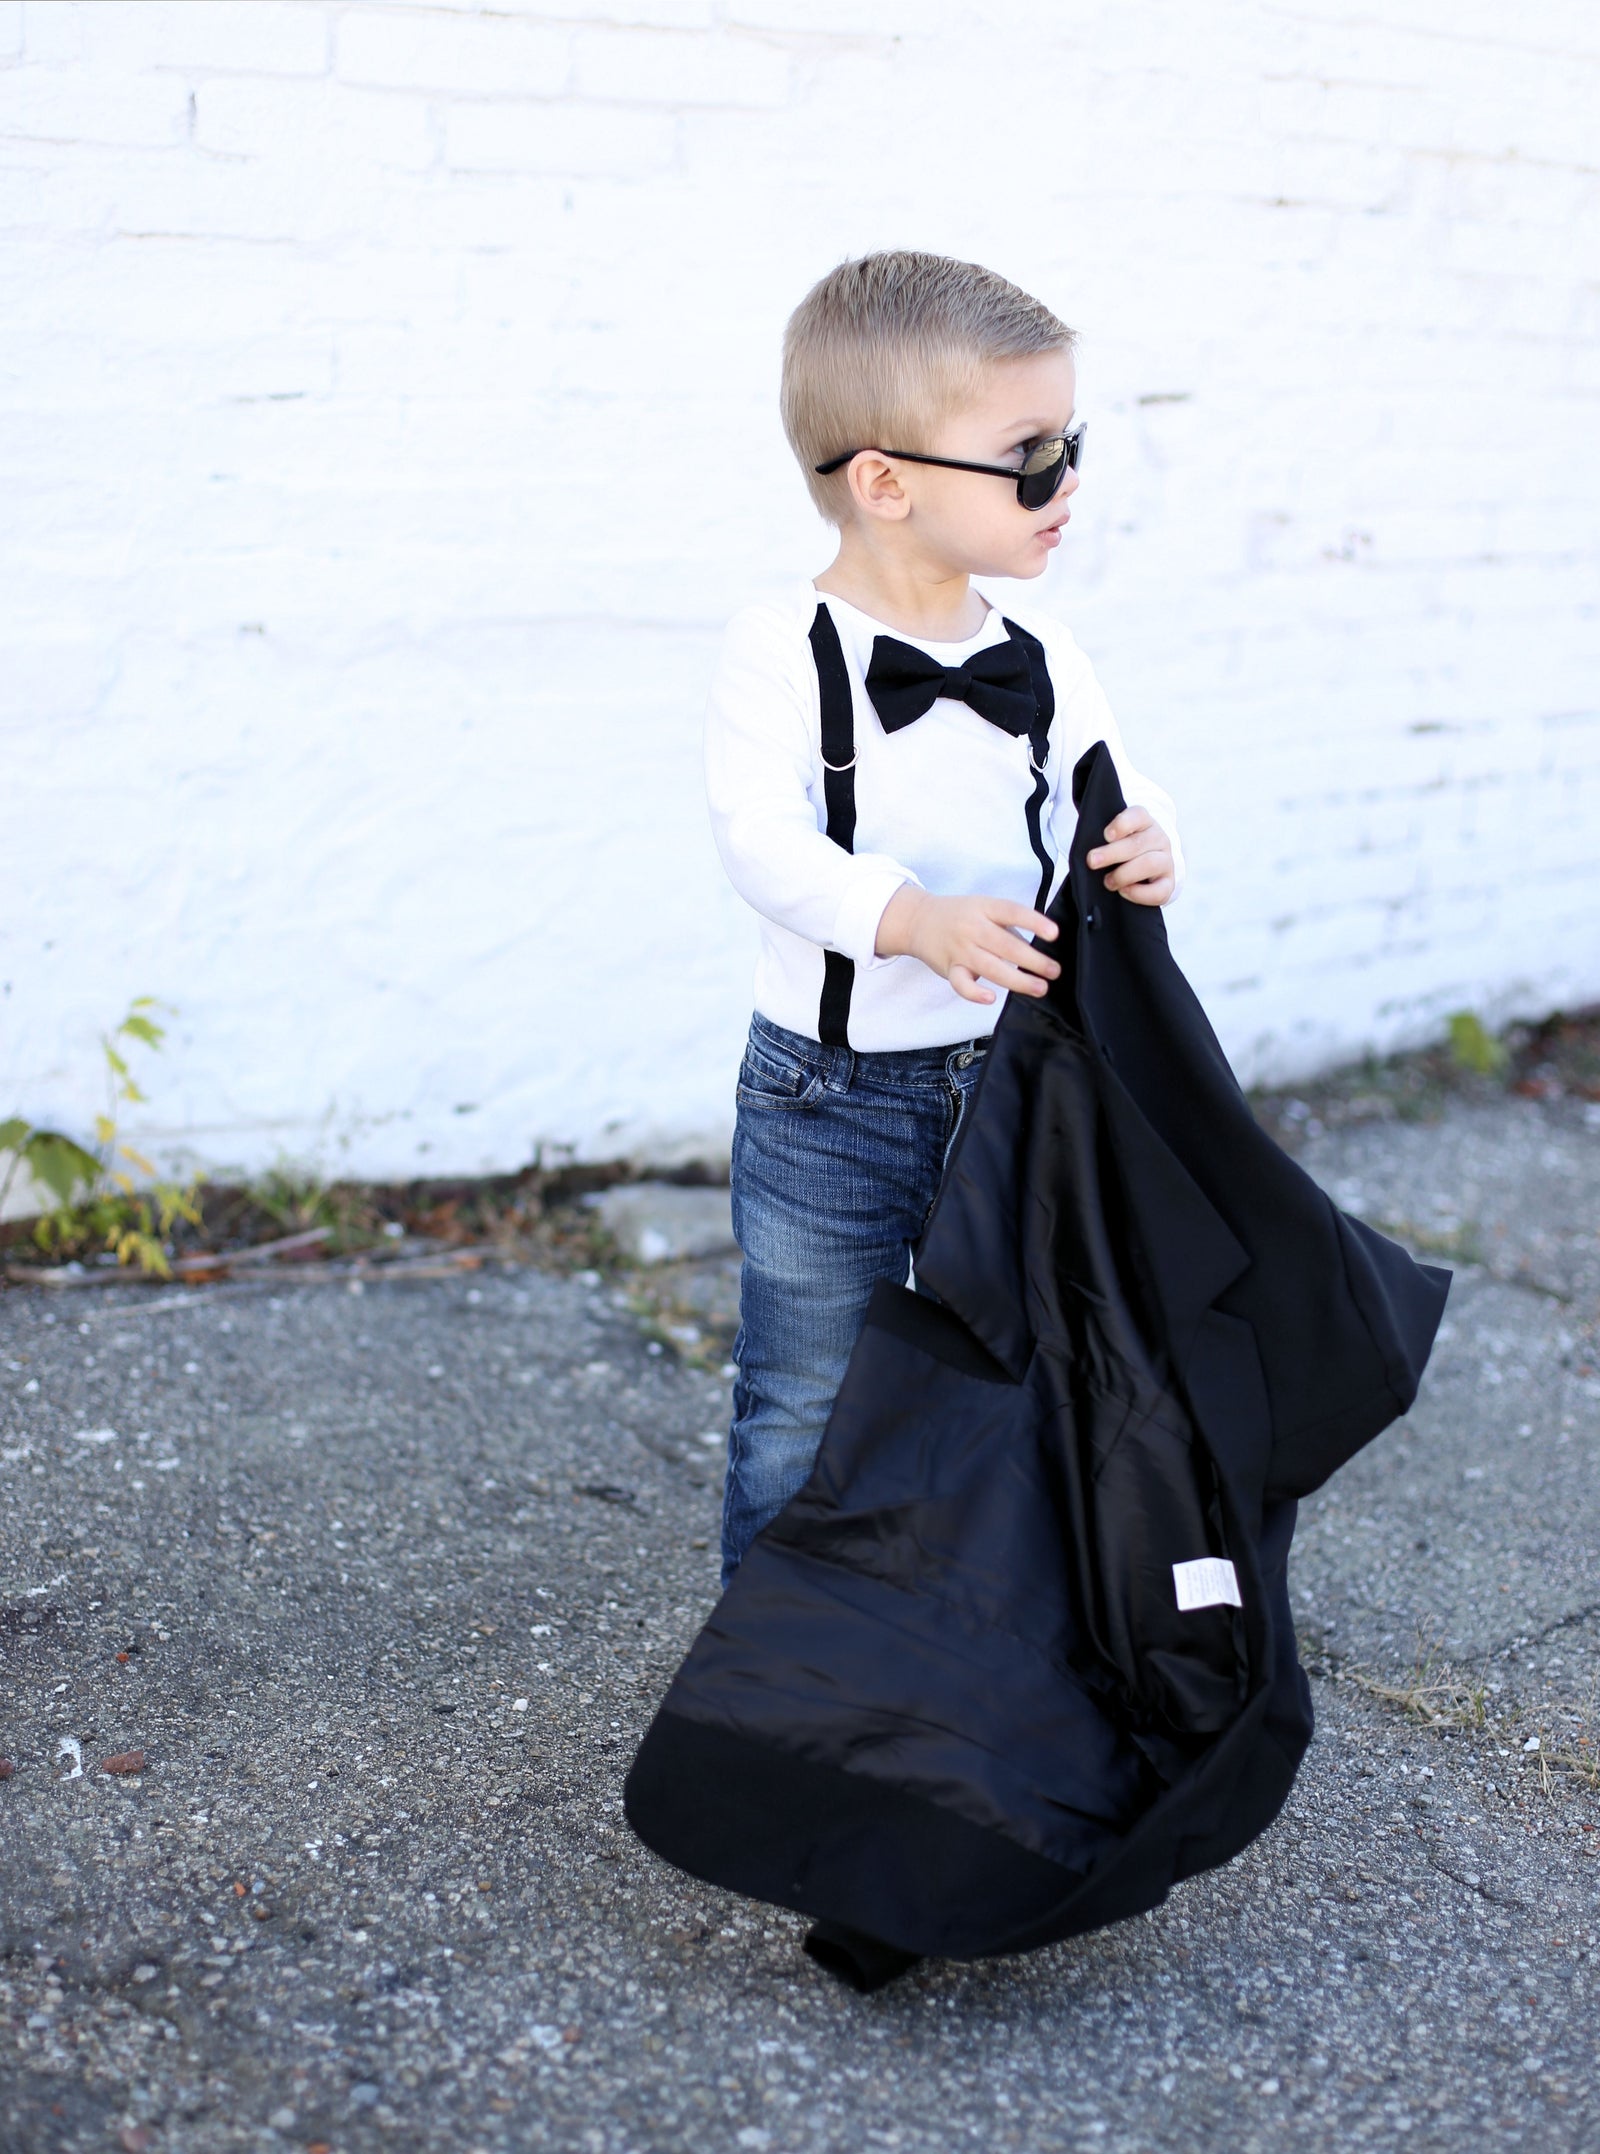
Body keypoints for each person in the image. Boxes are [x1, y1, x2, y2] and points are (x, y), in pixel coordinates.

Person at [706, 249, 1183, 1588]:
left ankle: (968, 1641)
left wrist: (1151, 837)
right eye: (1030, 456)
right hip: (829, 1099)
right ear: (887, 481)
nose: (1066, 484)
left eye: (1071, 444)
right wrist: (906, 916)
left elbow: (1113, 783)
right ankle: (778, 1678)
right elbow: (761, 838)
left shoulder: (1044, 653)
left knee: (1013, 1369)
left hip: (1013, 1089)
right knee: (807, 1392)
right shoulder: (781, 646)